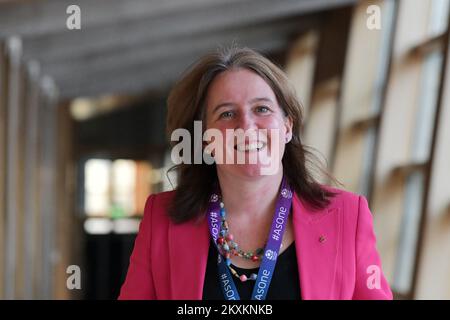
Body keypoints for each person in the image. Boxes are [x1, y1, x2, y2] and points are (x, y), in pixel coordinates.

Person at [118, 47, 393, 300]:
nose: (247, 127)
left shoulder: (347, 216)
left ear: (287, 127)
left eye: (262, 109)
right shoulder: (162, 219)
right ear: (204, 139)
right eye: (226, 114)